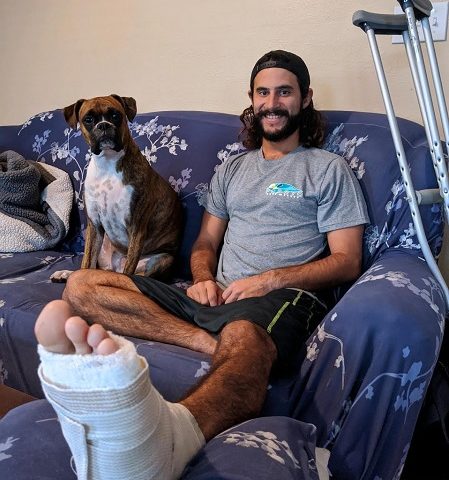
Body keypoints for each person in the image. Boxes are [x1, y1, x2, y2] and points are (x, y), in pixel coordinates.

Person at [35, 50, 369, 480]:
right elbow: (206, 242)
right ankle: (204, 342)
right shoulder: (232, 169)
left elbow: (347, 260)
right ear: (252, 100)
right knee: (81, 285)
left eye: (284, 92)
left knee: (245, 338)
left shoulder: (328, 169)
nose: (272, 102)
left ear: (304, 99)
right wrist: (202, 278)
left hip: (278, 299)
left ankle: (171, 439)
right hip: (213, 295)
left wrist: (270, 280)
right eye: (263, 92)